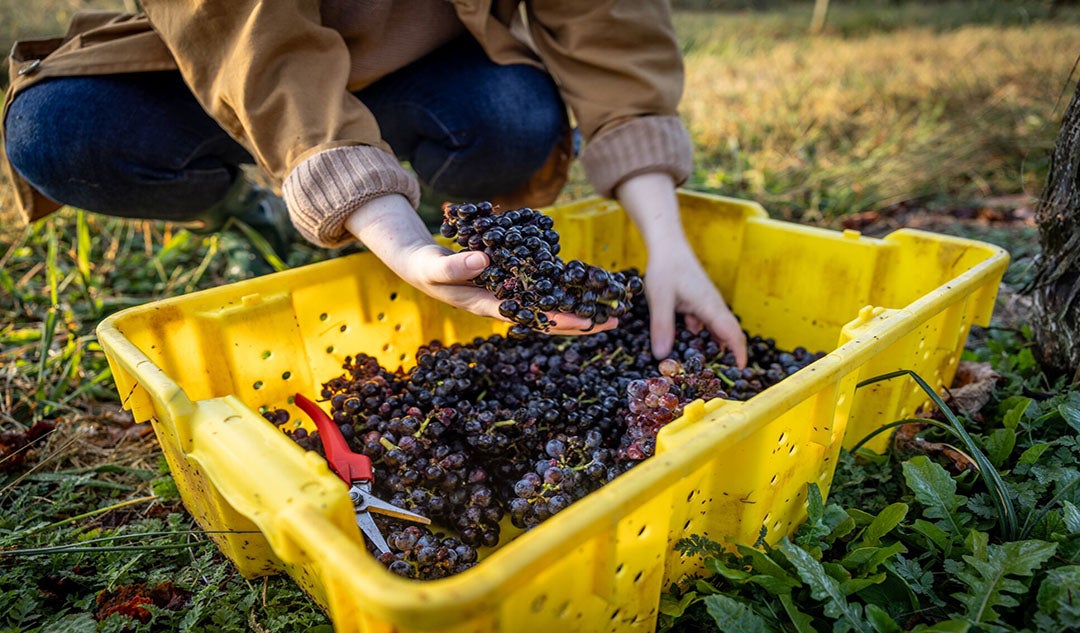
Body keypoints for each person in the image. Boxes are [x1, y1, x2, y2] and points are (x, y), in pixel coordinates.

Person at [1, 1, 748, 367]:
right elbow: (248, 33)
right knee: (60, 130)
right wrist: (379, 220)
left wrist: (666, 240)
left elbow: (604, 22)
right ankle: (252, 209)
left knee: (514, 115)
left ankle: (398, 213)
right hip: (227, 69)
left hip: (425, 70)